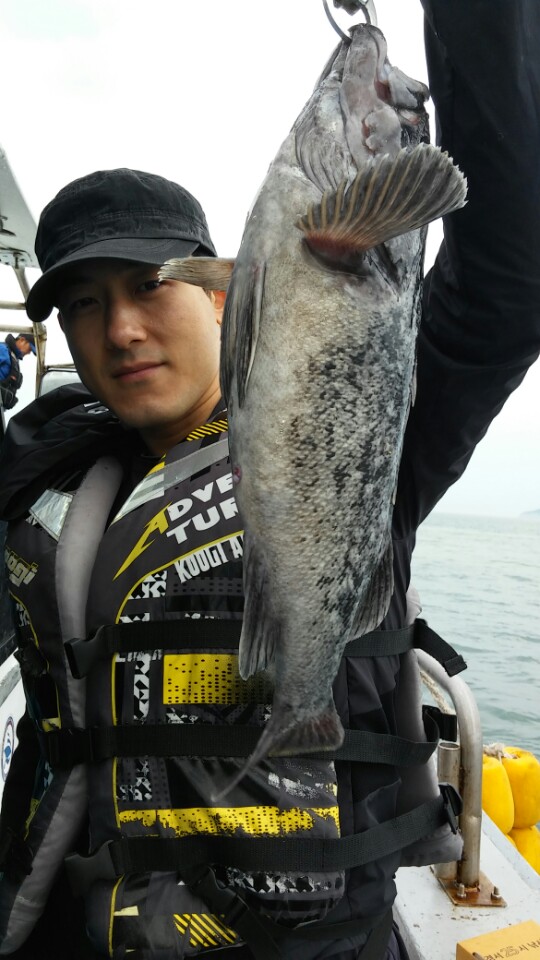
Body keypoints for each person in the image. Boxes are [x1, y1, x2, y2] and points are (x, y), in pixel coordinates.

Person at [1, 2, 540, 959]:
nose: (120, 329)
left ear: (223, 288)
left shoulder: (386, 420)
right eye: (83, 304)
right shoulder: (41, 473)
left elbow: (512, 282)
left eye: (149, 285)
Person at [0, 334, 36, 412]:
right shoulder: (2, 349)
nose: (29, 353)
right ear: (22, 340)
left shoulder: (13, 359)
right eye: (29, 349)